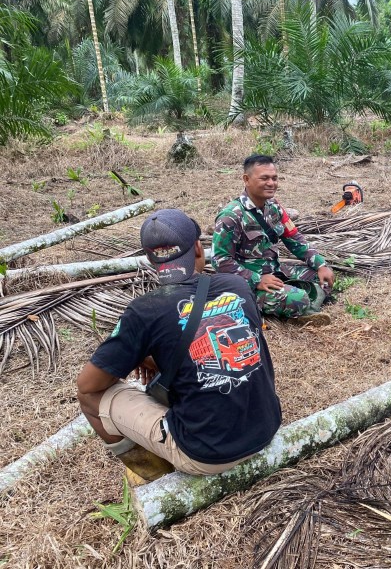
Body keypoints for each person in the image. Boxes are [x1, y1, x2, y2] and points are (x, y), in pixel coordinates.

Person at [77, 209, 282, 482]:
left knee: (89, 397)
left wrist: (136, 353)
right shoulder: (238, 286)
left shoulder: (145, 310)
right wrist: (147, 356)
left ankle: (152, 472)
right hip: (266, 430)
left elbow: (88, 385)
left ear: (150, 258)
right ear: (198, 247)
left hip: (206, 455)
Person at [213, 154, 335, 326]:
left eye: (274, 178)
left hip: (277, 273)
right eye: (264, 178)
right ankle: (300, 306)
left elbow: (293, 238)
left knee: (323, 278)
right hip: (249, 283)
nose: (271, 183)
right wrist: (256, 279)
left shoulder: (274, 206)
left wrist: (321, 265)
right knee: (297, 298)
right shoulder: (231, 216)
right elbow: (220, 261)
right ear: (246, 179)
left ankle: (302, 305)